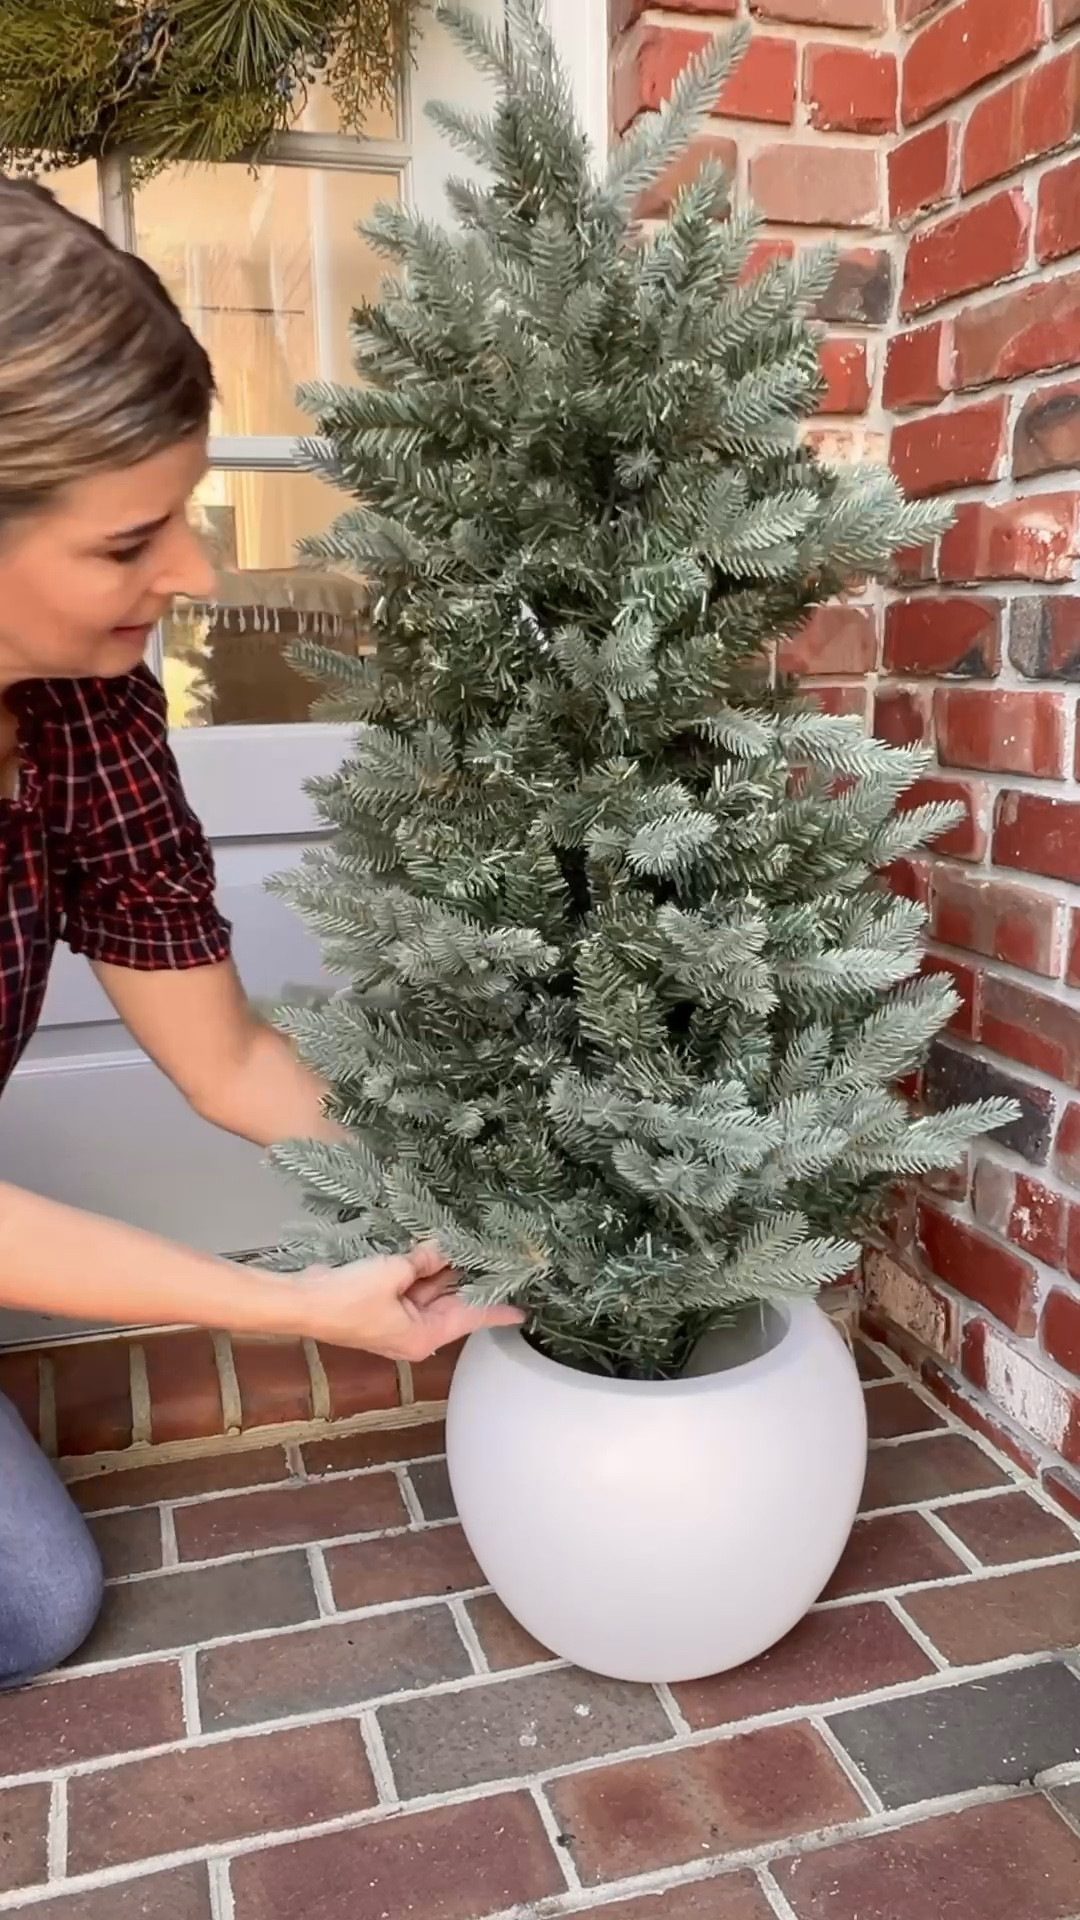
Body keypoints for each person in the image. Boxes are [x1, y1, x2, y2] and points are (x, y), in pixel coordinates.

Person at [0, 178, 522, 1692]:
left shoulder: (88, 718)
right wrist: (292, 1309)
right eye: (129, 542)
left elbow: (224, 1058)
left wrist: (454, 1192)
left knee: (31, 1608)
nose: (197, 577)